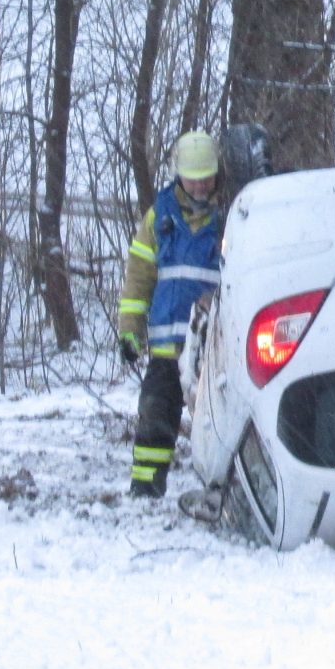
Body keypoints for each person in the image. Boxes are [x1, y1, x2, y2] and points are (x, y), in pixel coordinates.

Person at [117, 130, 227, 499]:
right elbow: (139, 280)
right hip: (166, 349)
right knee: (154, 416)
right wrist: (129, 331)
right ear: (179, 174)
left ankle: (223, 491)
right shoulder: (158, 217)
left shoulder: (230, 218)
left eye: (206, 178)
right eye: (193, 178)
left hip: (212, 350)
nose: (200, 186)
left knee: (219, 425)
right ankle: (145, 489)